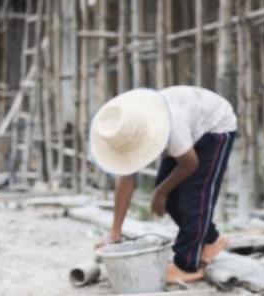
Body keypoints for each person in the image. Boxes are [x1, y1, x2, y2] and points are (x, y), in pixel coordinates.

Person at [91, 85, 236, 284]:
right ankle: (211, 240)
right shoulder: (130, 127)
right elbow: (126, 180)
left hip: (215, 126)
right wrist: (115, 233)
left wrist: (160, 192)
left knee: (194, 197)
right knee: (171, 197)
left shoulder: (173, 127)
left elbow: (190, 164)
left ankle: (187, 265)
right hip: (190, 123)